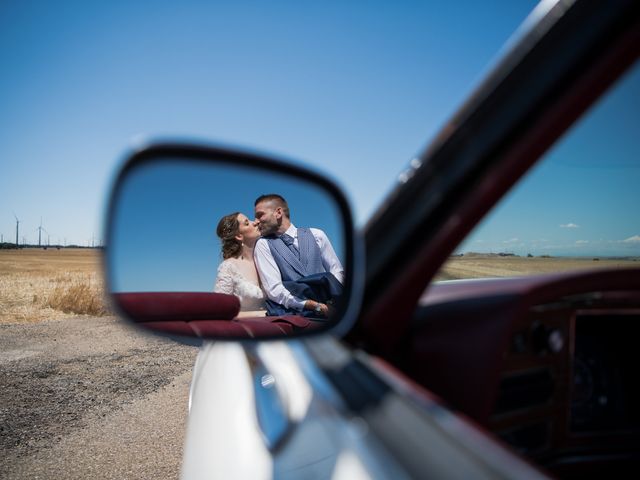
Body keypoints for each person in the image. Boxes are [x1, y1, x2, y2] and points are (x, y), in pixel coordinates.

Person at [253, 194, 344, 318]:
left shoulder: (317, 235)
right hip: (298, 315)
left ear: (278, 213)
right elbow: (274, 289)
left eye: (260, 215)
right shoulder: (263, 244)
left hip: (333, 310)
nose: (256, 221)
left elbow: (336, 271)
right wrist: (314, 306)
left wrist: (333, 301)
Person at [214, 212, 266, 317]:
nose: (255, 222)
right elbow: (219, 310)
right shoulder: (229, 267)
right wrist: (262, 314)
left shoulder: (265, 261)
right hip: (242, 330)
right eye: (247, 223)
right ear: (239, 236)